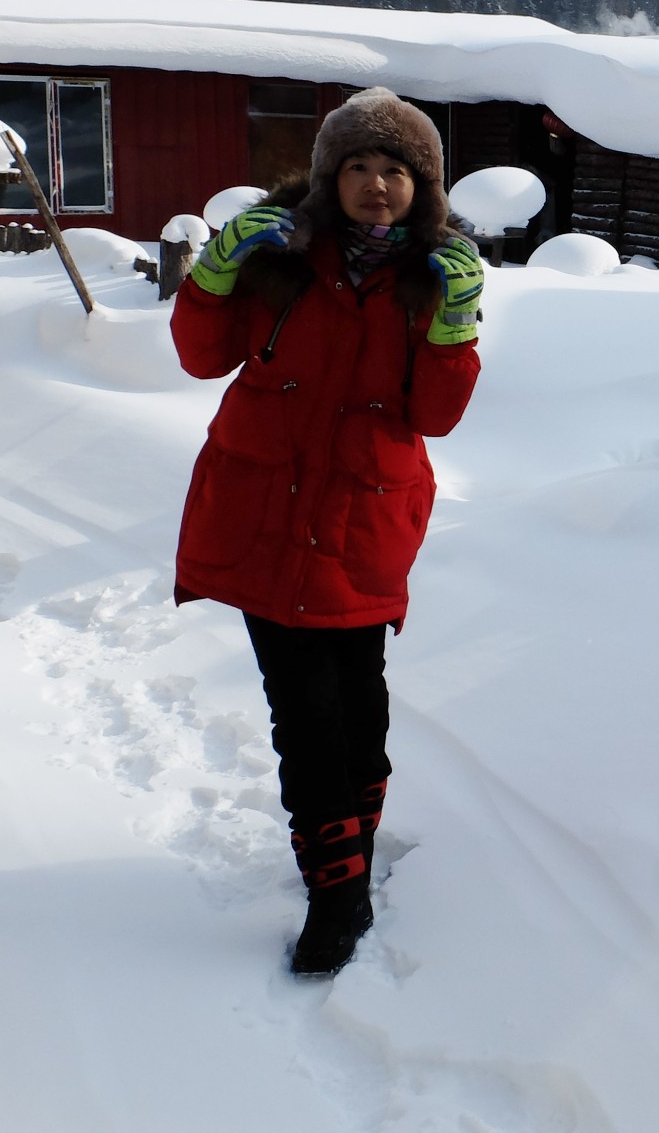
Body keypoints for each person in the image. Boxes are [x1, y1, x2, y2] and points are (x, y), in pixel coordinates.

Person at [170, 87, 485, 976]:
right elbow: (200, 355)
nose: (376, 184)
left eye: (397, 170)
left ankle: (344, 856)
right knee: (307, 723)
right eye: (358, 166)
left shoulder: (436, 278)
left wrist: (454, 323)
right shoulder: (280, 255)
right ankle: (337, 901)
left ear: (424, 188)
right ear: (328, 176)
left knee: (361, 715)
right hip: (264, 520)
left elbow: (437, 413)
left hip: (363, 523)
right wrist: (216, 269)